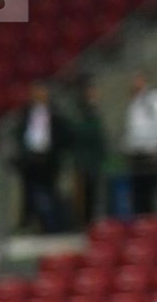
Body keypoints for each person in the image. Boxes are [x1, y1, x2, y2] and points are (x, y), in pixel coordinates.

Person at [12, 83, 70, 232]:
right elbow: (19, 134)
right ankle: (28, 224)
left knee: (50, 193)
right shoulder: (25, 113)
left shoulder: (55, 114)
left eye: (41, 93)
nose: (38, 96)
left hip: (48, 160)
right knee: (28, 194)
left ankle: (52, 225)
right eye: (36, 93)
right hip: (30, 160)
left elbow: (62, 136)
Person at [70, 83, 107, 225]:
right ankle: (83, 224)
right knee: (84, 197)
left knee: (95, 194)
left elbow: (100, 137)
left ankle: (92, 222)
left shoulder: (96, 111)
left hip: (95, 161)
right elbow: (82, 133)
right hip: (84, 162)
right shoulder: (81, 112)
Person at [127, 73, 157, 215]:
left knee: (149, 190)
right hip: (136, 155)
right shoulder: (133, 103)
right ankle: (141, 221)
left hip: (150, 154)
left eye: (138, 81)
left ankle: (149, 222)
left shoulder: (152, 100)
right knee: (138, 192)